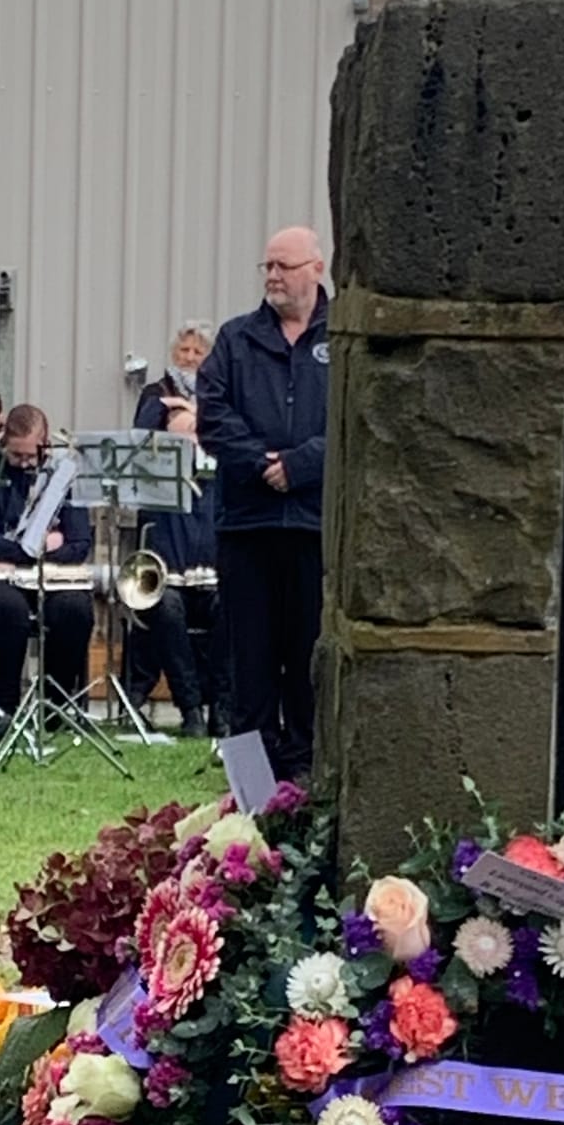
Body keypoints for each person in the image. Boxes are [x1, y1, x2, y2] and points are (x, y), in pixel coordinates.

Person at [196, 226, 330, 777]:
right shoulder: (236, 339)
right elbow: (214, 417)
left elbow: (360, 417)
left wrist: (299, 465)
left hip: (314, 525)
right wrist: (261, 463)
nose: (273, 276)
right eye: (267, 267)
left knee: (306, 659)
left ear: (315, 269)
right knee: (249, 662)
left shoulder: (345, 336)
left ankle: (303, 775)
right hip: (247, 526)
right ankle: (249, 787)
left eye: (284, 266)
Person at [0, 404, 94, 718]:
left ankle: (56, 705)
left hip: (49, 576)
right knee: (4, 609)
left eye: (32, 455)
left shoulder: (63, 473)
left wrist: (16, 552)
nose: (26, 463)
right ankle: (3, 707)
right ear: (4, 443)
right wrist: (35, 547)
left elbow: (80, 543)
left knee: (75, 609)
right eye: (17, 455)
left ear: (45, 444)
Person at [126, 324, 221, 736]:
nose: (189, 357)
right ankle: (190, 709)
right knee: (166, 610)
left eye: (197, 351)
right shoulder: (155, 396)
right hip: (169, 572)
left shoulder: (221, 394)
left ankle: (225, 709)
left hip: (215, 573)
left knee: (233, 610)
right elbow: (140, 440)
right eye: (183, 350)